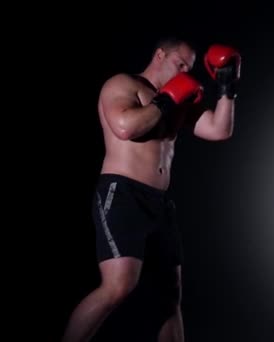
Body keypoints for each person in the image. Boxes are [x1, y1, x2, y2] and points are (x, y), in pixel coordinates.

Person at [61, 37, 242, 342]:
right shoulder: (122, 84)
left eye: (190, 67)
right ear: (160, 55)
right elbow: (126, 127)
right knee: (117, 287)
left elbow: (218, 130)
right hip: (122, 194)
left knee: (169, 297)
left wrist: (228, 88)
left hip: (159, 202)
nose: (185, 71)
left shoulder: (181, 97)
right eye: (180, 63)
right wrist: (167, 99)